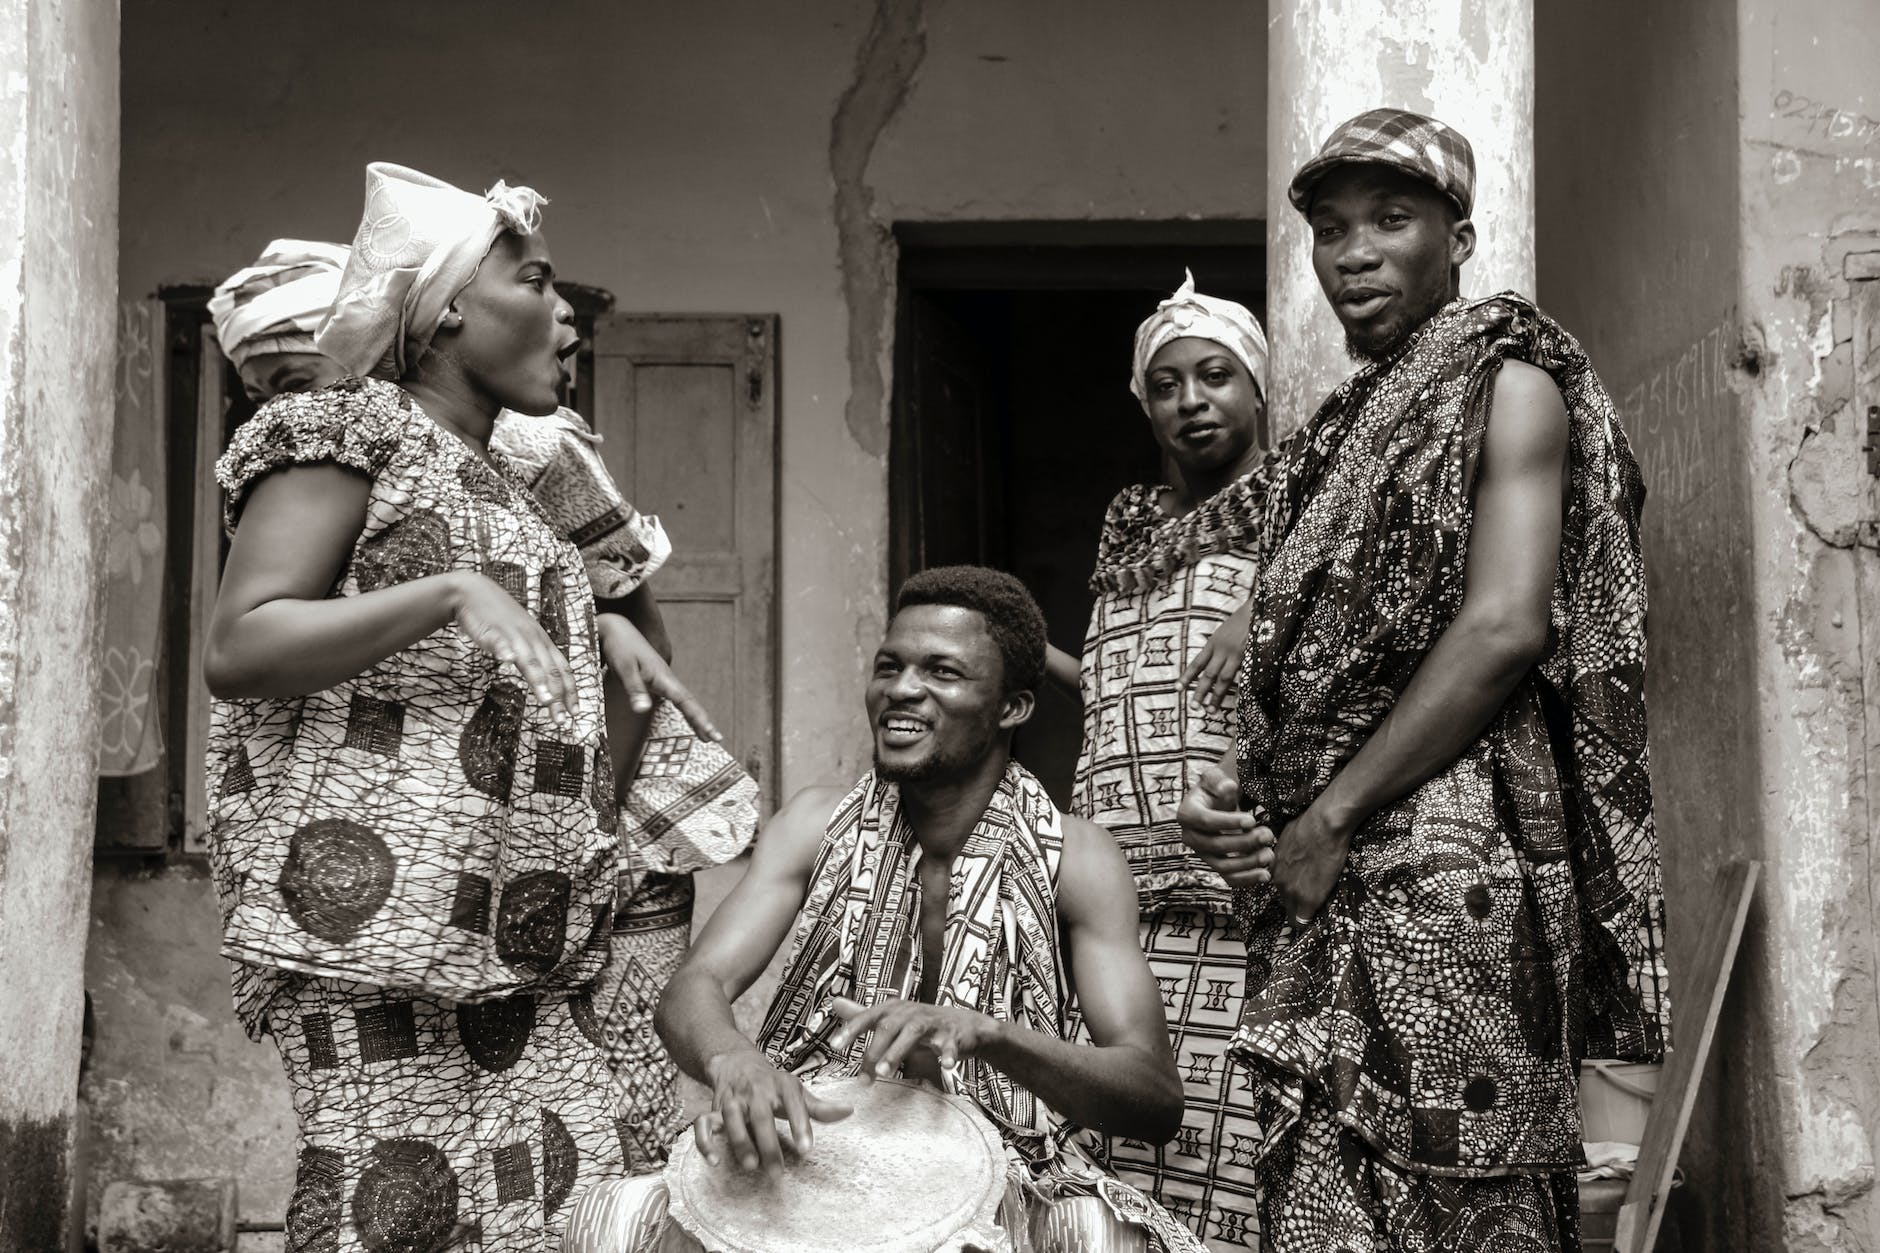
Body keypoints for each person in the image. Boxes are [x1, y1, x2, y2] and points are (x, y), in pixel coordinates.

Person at [1176, 109, 1671, 1252]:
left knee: (1460, 1187)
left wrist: (1332, 813)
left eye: (1391, 219)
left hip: (1454, 862)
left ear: (1458, 237)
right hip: (1328, 868)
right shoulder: (1335, 434)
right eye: (1331, 228)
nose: (1353, 251)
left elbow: (1502, 625)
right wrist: (1244, 806)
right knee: (1320, 1198)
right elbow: (1305, 678)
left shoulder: (1508, 385)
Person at [207, 230, 756, 1179]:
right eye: (291, 379)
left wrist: (600, 632)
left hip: (572, 881)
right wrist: (455, 593)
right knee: (399, 1183)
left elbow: (620, 631)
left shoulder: (524, 457)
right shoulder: (356, 439)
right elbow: (243, 644)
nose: (324, 390)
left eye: (336, 360)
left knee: (595, 1152)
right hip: (400, 908)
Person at [563, 567, 1206, 1253]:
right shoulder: (816, 821)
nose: (901, 688)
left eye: (943, 671)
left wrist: (991, 1034)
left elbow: (1154, 1095)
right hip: (819, 1140)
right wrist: (733, 1061)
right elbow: (695, 987)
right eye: (889, 666)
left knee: (1103, 1235)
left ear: (1013, 707)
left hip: (1006, 1162)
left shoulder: (1078, 858)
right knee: (614, 1218)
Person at [1037, 273, 1271, 1249]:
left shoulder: (1295, 502)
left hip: (1228, 872)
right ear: (1144, 400)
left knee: (1231, 1111)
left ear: (1257, 387)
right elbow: (1119, 678)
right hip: (1117, 876)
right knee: (1116, 1107)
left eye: (1214, 375)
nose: (1192, 399)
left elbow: (1339, 613)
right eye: (1167, 383)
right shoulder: (1128, 518)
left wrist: (1257, 613)